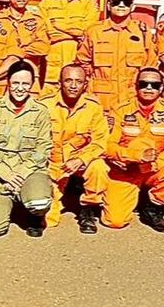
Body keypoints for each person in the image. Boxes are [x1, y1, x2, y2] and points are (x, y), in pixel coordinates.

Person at [102, 67, 164, 232]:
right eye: (143, 84)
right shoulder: (119, 110)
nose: (148, 88)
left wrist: (153, 164)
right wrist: (135, 156)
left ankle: (153, 207)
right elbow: (107, 147)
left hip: (155, 169)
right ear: (136, 86)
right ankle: (130, 198)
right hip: (125, 168)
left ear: (161, 88)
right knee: (115, 221)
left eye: (154, 85)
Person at [0, 61, 53, 238]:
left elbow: (43, 147)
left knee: (39, 202)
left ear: (32, 85)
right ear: (9, 84)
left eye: (25, 84)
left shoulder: (40, 111)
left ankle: (33, 215)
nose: (20, 88)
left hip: (29, 171)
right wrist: (4, 172)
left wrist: (21, 173)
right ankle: (7, 202)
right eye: (16, 83)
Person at [41, 64, 108, 233]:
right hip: (52, 163)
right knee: (48, 221)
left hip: (80, 161)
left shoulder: (93, 107)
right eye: (68, 80)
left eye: (78, 81)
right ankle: (56, 200)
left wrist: (82, 159)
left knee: (98, 167)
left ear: (85, 85)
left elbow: (100, 141)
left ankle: (88, 209)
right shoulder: (44, 106)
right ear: (59, 83)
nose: (73, 85)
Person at [77, 0, 155, 111]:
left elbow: (149, 66)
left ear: (132, 6)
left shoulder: (142, 32)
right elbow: (82, 64)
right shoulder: (94, 32)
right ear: (108, 5)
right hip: (100, 101)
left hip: (132, 100)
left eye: (126, 2)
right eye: (116, 2)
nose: (121, 5)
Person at [39, 0, 99, 95]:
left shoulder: (89, 4)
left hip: (77, 73)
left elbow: (87, 32)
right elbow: (46, 33)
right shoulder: (46, 3)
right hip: (51, 73)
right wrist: (75, 33)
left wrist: (58, 26)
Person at [0, 0, 50, 68]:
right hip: (1, 72)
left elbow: (43, 47)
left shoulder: (37, 20)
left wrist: (16, 53)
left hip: (28, 74)